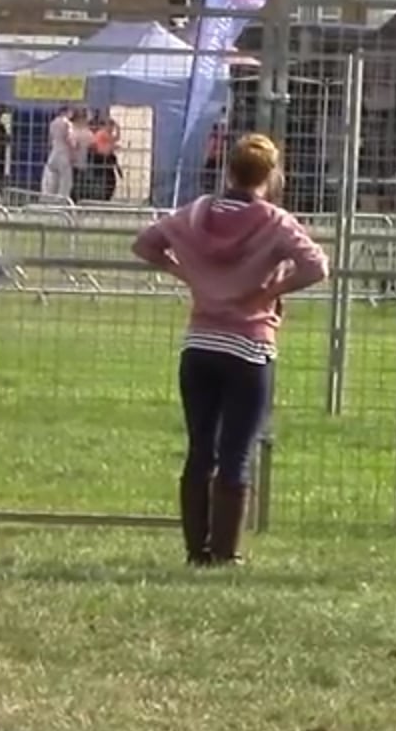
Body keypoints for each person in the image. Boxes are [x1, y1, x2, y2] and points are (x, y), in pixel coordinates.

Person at [132, 133, 329, 567]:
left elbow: (144, 244)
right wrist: (271, 290)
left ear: (229, 170)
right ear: (272, 175)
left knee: (200, 448)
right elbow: (316, 266)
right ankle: (226, 552)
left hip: (199, 345)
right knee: (236, 452)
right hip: (249, 346)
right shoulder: (275, 222)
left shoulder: (197, 213)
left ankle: (194, 550)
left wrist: (186, 274)